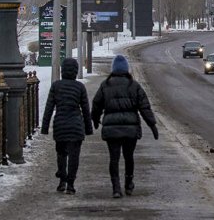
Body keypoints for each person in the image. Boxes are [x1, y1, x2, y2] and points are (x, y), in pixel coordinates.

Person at [92, 55, 159, 198]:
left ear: (113, 69)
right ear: (126, 69)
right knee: (129, 157)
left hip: (111, 129)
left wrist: (95, 120)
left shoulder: (106, 85)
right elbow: (144, 107)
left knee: (114, 158)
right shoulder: (134, 86)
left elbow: (96, 105)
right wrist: (152, 125)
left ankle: (116, 188)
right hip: (130, 129)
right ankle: (128, 184)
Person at [41, 58, 93, 195]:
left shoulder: (56, 86)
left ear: (62, 70)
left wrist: (45, 127)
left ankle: (62, 181)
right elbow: (86, 110)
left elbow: (49, 108)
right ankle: (71, 185)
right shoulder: (80, 87)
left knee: (61, 154)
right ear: (75, 71)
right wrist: (88, 128)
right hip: (76, 126)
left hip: (60, 126)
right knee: (74, 157)